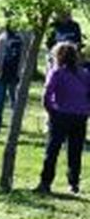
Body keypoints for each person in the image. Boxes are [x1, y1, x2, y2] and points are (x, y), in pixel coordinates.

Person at [37, 42, 89, 195]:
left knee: (52, 150)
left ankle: (45, 182)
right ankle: (73, 183)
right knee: (75, 151)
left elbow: (47, 94)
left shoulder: (57, 73)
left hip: (61, 114)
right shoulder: (85, 74)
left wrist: (51, 111)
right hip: (80, 115)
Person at [0, 19, 26, 132]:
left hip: (16, 74)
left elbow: (26, 52)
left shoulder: (23, 33)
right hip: (1, 73)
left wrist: (23, 70)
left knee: (15, 102)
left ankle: (15, 127)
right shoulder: (1, 31)